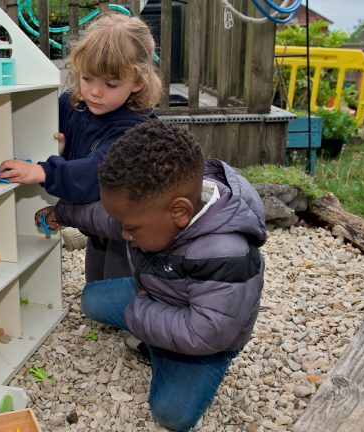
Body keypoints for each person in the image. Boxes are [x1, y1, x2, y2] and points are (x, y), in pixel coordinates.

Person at [36, 120, 266, 431]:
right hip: (158, 296)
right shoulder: (154, 209)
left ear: (180, 213)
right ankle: (154, 339)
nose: (125, 234)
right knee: (91, 300)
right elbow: (105, 218)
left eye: (131, 228)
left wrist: (141, 311)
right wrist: (62, 214)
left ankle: (167, 351)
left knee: (172, 415)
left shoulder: (226, 252)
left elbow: (206, 332)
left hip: (206, 339)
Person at [0, 13, 162, 282]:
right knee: (95, 282)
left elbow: (100, 171)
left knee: (119, 294)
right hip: (98, 223)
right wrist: (56, 149)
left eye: (110, 84)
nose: (95, 92)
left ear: (138, 82)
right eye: (87, 78)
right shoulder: (74, 103)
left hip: (132, 229)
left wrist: (43, 172)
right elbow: (49, 131)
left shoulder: (135, 127)